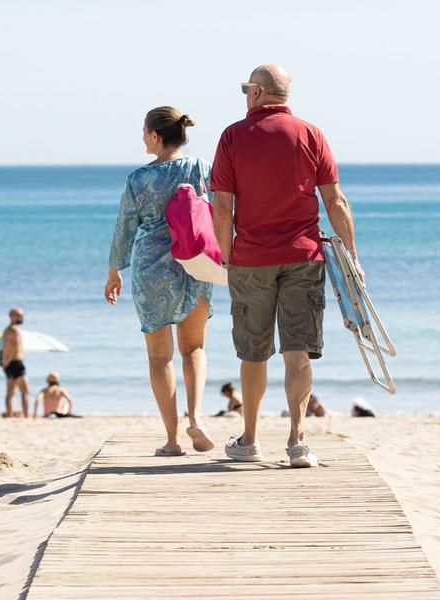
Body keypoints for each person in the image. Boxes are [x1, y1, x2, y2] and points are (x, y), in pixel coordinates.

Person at [212, 64, 359, 469]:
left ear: (257, 92)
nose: (245, 94)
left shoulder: (232, 137)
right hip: (303, 256)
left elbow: (222, 209)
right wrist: (353, 259)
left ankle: (250, 439)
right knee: (298, 352)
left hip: (251, 259)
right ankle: (297, 440)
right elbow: (336, 202)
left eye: (246, 88)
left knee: (253, 352)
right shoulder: (312, 134)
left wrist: (225, 255)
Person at [105, 106, 215, 456]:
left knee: (159, 358)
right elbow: (225, 208)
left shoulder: (138, 179)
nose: (142, 138)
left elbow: (125, 228)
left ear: (155, 135)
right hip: (196, 264)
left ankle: (172, 440)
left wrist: (114, 270)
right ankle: (195, 416)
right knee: (194, 349)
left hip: (152, 269)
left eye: (143, 132)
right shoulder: (202, 168)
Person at [0, 307, 30, 418]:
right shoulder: (14, 330)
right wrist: (8, 360)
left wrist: (4, 361)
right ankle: (26, 416)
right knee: (25, 392)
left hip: (9, 364)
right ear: (13, 317)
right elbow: (15, 347)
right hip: (16, 362)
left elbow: (2, 348)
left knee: (10, 393)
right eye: (20, 315)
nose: (22, 318)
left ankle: (9, 415)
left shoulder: (6, 330)